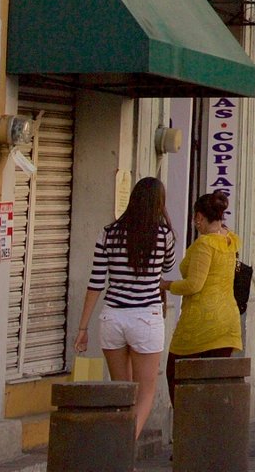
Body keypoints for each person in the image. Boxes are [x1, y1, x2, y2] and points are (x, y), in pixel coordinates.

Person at [75, 176, 177, 438]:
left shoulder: (107, 233)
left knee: (122, 390)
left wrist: (83, 327)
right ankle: (124, 445)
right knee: (146, 392)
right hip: (146, 317)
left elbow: (96, 282)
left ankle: (120, 448)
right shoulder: (164, 235)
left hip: (113, 318)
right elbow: (166, 268)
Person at [164, 191, 241, 397]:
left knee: (175, 374)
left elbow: (193, 285)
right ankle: (209, 426)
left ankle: (188, 424)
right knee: (213, 383)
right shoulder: (230, 240)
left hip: (201, 321)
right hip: (228, 321)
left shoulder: (204, 245)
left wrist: (166, 285)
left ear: (199, 217)